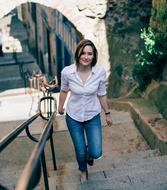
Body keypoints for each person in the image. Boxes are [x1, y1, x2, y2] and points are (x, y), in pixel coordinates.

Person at [58, 39, 112, 184]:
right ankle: (82, 170)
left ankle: (90, 155)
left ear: (94, 56)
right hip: (73, 116)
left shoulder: (99, 73)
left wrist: (107, 113)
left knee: (96, 152)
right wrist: (60, 107)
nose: (86, 57)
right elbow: (63, 91)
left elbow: (101, 94)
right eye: (83, 53)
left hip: (92, 116)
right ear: (78, 54)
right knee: (80, 150)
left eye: (90, 54)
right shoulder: (67, 72)